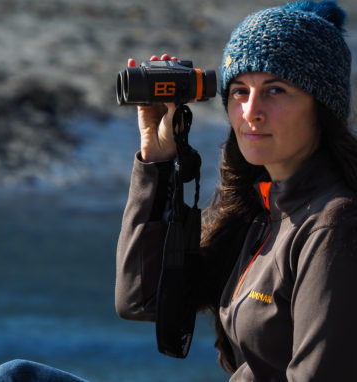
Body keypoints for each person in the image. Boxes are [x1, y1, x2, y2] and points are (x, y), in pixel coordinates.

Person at [116, 0, 357, 380]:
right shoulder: (261, 212)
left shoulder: (334, 225)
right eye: (240, 91)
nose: (251, 111)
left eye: (275, 90)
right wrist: (158, 161)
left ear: (322, 106)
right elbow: (141, 300)